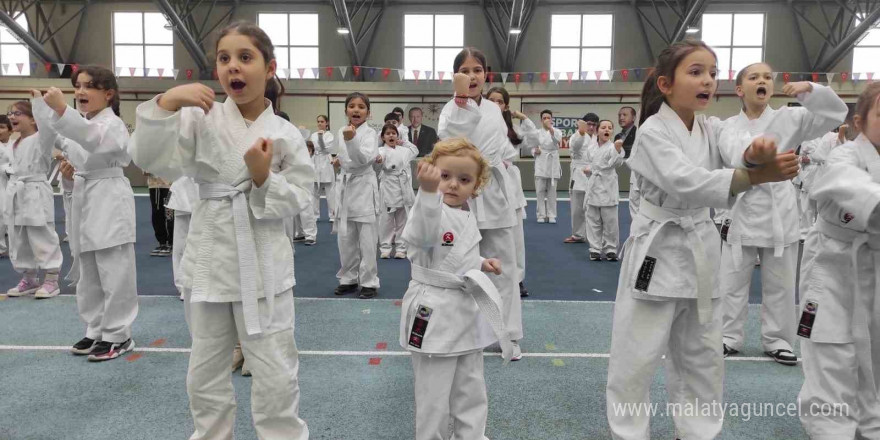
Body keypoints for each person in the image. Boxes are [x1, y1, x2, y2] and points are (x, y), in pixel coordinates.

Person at [605, 40, 799, 440]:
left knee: (703, 354)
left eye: (712, 72)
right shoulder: (651, 132)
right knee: (637, 355)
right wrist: (755, 176)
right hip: (657, 252)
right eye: (696, 72)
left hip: (702, 251)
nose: (708, 80)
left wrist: (754, 156)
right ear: (665, 83)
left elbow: (734, 149)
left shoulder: (713, 127)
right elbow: (686, 181)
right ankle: (629, 432)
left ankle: (697, 431)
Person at [129, 21, 311, 439]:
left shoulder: (284, 133)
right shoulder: (198, 118)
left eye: (246, 57)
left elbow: (301, 197)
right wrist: (164, 103)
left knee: (276, 369)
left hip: (264, 261)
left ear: (270, 67)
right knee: (205, 368)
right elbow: (149, 157)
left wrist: (264, 178)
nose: (234, 67)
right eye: (224, 58)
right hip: (210, 252)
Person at [719, 63, 848, 365]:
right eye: (754, 77)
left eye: (767, 77)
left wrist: (813, 91)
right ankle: (727, 336)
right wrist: (756, 156)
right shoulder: (728, 126)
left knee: (781, 282)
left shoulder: (790, 118)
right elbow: (732, 154)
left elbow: (834, 114)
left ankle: (778, 340)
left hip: (780, 212)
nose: (762, 81)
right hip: (742, 209)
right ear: (740, 89)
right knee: (731, 281)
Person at [400, 138, 512, 440]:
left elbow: (453, 256)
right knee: (433, 396)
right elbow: (422, 238)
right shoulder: (427, 208)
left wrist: (480, 262)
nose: (452, 185)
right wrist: (425, 191)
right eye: (445, 176)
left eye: (464, 180)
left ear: (476, 186)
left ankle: (471, 436)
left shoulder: (465, 214)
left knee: (471, 387)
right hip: (433, 311)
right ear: (432, 173)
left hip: (464, 311)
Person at [32, 66, 139, 361]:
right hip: (85, 193)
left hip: (109, 195)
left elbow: (91, 138)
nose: (81, 91)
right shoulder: (81, 123)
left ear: (109, 94)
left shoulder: (112, 124)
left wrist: (61, 109)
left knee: (113, 268)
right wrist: (40, 110)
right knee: (88, 265)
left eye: (89, 86)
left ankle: (119, 334)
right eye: (78, 86)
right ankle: (96, 327)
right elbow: (58, 139)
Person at [797, 81, 880, 439]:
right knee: (831, 352)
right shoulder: (843, 157)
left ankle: (870, 424)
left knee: (873, 360)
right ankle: (830, 428)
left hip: (873, 272)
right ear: (859, 123)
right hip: (831, 269)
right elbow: (845, 183)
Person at [439, 46, 523, 360]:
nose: (472, 76)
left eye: (477, 70)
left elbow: (503, 151)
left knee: (504, 265)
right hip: (463, 190)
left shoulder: (492, 109)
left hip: (496, 191)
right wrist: (462, 103)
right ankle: (463, 330)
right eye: (465, 70)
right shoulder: (450, 109)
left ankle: (508, 333)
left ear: (486, 75)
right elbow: (452, 144)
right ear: (455, 76)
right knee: (460, 262)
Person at [4, 99, 64, 299]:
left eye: (18, 113)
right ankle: (29, 278)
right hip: (17, 191)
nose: (12, 117)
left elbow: (48, 126)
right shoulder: (13, 143)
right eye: (10, 113)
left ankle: (52, 279)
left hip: (36, 189)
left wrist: (39, 101)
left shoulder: (42, 138)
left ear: (33, 119)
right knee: (19, 236)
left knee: (41, 234)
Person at [486, 86, 534, 297]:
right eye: (492, 100)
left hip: (510, 185)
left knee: (515, 237)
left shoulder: (513, 128)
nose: (496, 104)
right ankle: (489, 276)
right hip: (486, 182)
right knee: (490, 235)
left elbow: (534, 140)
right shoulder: (479, 125)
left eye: (500, 101)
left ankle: (518, 279)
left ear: (505, 106)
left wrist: (524, 118)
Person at [334, 92, 381, 299]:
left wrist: (351, 141)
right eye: (352, 106)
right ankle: (348, 278)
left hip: (363, 187)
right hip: (345, 188)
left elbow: (363, 160)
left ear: (368, 113)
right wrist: (339, 161)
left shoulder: (370, 133)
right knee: (345, 239)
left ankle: (369, 281)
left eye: (361, 107)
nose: (356, 109)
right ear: (346, 110)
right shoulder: (340, 131)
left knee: (367, 241)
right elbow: (344, 157)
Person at [584, 120, 625, 261]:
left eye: (609, 127)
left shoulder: (613, 147)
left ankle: (610, 249)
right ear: (598, 131)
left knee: (610, 221)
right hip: (594, 184)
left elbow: (616, 162)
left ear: (612, 131)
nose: (606, 129)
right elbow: (591, 162)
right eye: (603, 127)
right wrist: (589, 169)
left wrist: (618, 149)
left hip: (608, 186)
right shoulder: (592, 147)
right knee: (593, 220)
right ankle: (594, 248)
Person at [376, 123, 418, 259]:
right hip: (389, 186)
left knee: (403, 219)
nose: (391, 135)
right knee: (386, 220)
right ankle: (385, 248)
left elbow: (415, 150)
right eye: (387, 134)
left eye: (393, 133)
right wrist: (379, 160)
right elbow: (379, 159)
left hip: (403, 187)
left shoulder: (403, 150)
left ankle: (401, 248)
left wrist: (404, 141)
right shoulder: (381, 150)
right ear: (383, 137)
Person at [565, 113, 598, 244]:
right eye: (588, 124)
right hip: (578, 175)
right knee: (577, 208)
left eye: (593, 124)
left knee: (594, 208)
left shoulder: (598, 139)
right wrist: (581, 133)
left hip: (594, 174)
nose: (591, 127)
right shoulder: (576, 136)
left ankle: (594, 235)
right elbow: (576, 147)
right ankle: (578, 235)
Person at [532, 109, 562, 224]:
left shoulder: (557, 131)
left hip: (553, 161)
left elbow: (557, 142)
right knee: (539, 191)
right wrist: (535, 151)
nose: (546, 120)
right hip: (541, 161)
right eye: (544, 118)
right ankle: (541, 214)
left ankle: (551, 215)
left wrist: (551, 130)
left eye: (548, 118)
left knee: (552, 191)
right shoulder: (536, 133)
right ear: (541, 120)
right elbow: (532, 147)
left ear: (552, 119)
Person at [309, 115, 336, 221]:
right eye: (318, 121)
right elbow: (312, 148)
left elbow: (324, 149)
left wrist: (320, 138)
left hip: (326, 161)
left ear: (327, 123)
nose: (320, 123)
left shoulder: (330, 135)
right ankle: (315, 215)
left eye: (322, 121)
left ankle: (332, 215)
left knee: (330, 191)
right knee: (315, 190)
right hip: (315, 161)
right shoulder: (313, 135)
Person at [0, 115, 12, 257]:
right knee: (1, 214)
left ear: (10, 130)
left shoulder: (15, 144)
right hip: (1, 182)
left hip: (13, 183)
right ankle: (1, 247)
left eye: (2, 127)